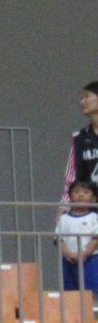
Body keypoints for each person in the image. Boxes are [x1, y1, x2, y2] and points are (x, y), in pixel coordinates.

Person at [61, 81, 98, 209]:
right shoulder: (79, 138)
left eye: (86, 96)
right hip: (89, 211)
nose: (82, 101)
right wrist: (64, 207)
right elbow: (71, 177)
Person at [58, 181, 98, 293]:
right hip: (69, 260)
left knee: (91, 290)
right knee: (70, 292)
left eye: (85, 192)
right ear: (70, 197)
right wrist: (68, 253)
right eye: (76, 192)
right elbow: (59, 239)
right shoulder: (64, 218)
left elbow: (96, 239)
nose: (80, 195)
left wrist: (85, 254)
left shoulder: (94, 217)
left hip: (90, 259)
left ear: (94, 199)